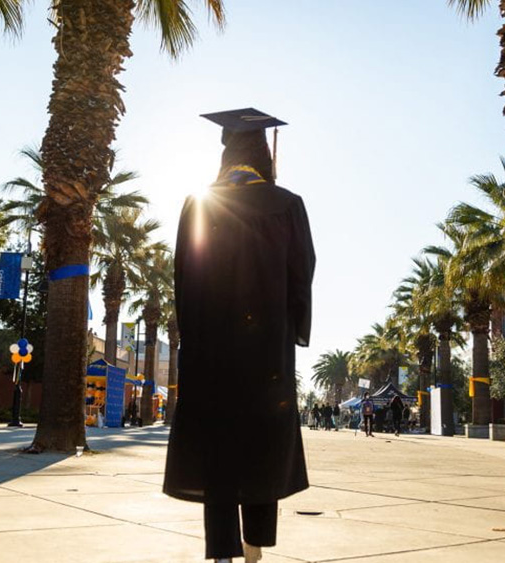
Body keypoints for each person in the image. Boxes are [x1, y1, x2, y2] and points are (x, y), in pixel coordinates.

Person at [164, 108, 315, 563]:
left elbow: (183, 277)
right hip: (265, 353)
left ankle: (222, 553)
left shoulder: (199, 203)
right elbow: (301, 276)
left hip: (210, 352)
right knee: (260, 444)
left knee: (218, 446)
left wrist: (193, 334)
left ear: (227, 152)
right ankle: (255, 550)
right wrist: (290, 330)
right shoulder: (287, 205)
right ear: (263, 155)